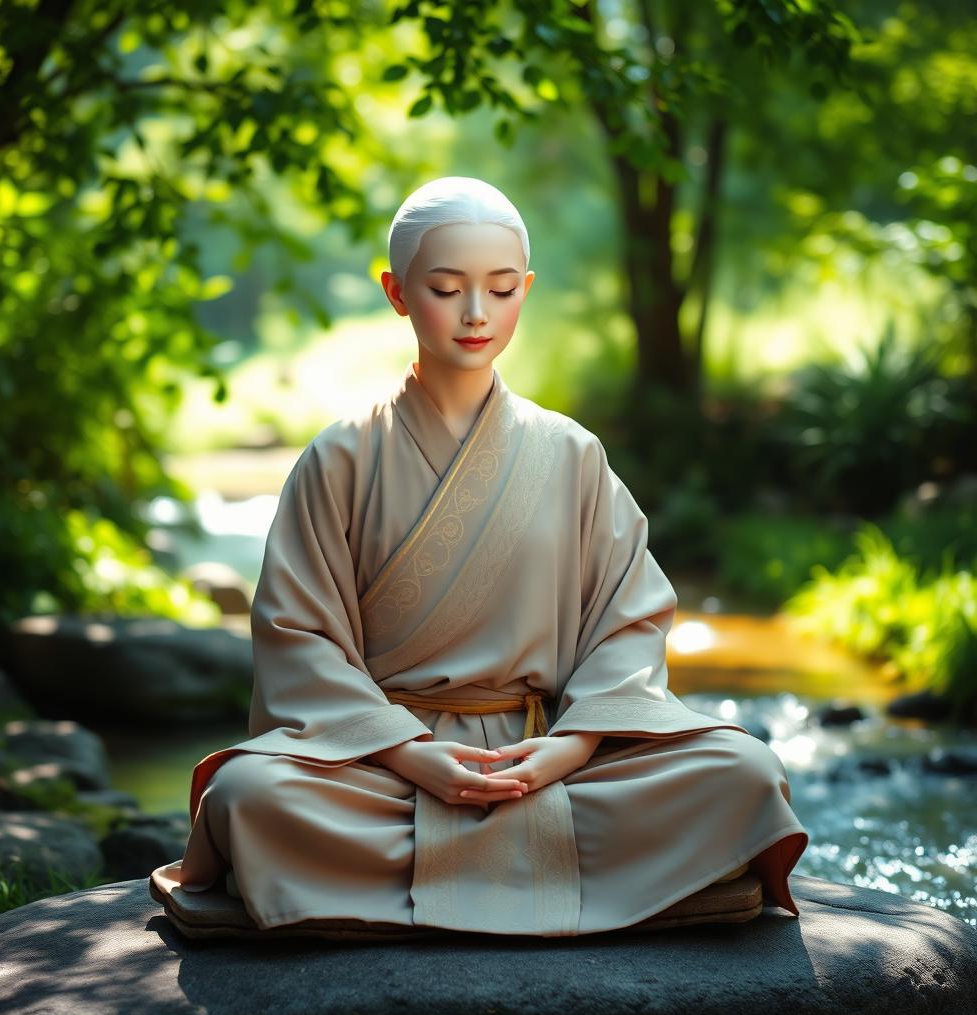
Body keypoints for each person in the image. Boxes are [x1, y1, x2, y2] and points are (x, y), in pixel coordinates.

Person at [168, 176, 809, 936]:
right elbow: (299, 641)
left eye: (501, 290)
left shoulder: (571, 454)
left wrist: (567, 750)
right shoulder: (340, 456)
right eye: (446, 288)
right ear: (398, 291)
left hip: (549, 762)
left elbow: (628, 620)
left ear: (525, 290)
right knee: (250, 798)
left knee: (744, 775)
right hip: (382, 769)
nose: (477, 314)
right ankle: (614, 882)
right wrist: (411, 756)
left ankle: (375, 892)